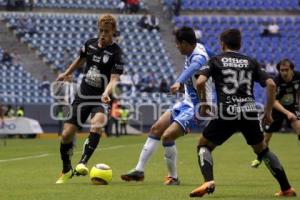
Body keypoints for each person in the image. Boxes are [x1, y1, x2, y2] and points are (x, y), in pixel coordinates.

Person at [189, 29, 296, 197]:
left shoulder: (215, 60)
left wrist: (204, 105)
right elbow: (271, 85)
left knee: (203, 145)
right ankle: (286, 188)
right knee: (262, 150)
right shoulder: (251, 61)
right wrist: (268, 113)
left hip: (227, 112)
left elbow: (200, 82)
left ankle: (208, 180)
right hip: (249, 112)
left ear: (222, 43)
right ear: (240, 44)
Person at [121, 27, 212, 185]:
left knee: (168, 136)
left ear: (184, 43)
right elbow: (213, 58)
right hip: (186, 102)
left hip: (198, 107)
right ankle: (139, 170)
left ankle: (173, 177)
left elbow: (195, 66)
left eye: (177, 43)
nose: (176, 46)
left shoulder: (199, 56)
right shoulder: (198, 48)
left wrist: (179, 81)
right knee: (156, 128)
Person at [55, 14, 124, 184]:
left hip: (101, 97)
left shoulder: (116, 53)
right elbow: (80, 59)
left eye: (106, 31)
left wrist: (107, 92)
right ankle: (66, 169)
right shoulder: (90, 44)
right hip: (83, 95)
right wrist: (66, 73)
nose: (102, 34)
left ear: (113, 31)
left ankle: (82, 162)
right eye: (100, 30)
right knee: (66, 135)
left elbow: (115, 78)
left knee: (97, 124)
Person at [251, 59, 300, 168]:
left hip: (292, 107)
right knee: (266, 138)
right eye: (281, 70)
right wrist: (287, 113)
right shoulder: (276, 81)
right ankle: (259, 158)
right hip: (277, 109)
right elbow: (274, 102)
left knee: (299, 128)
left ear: (292, 69)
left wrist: (297, 106)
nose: (284, 72)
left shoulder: (298, 77)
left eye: (286, 70)